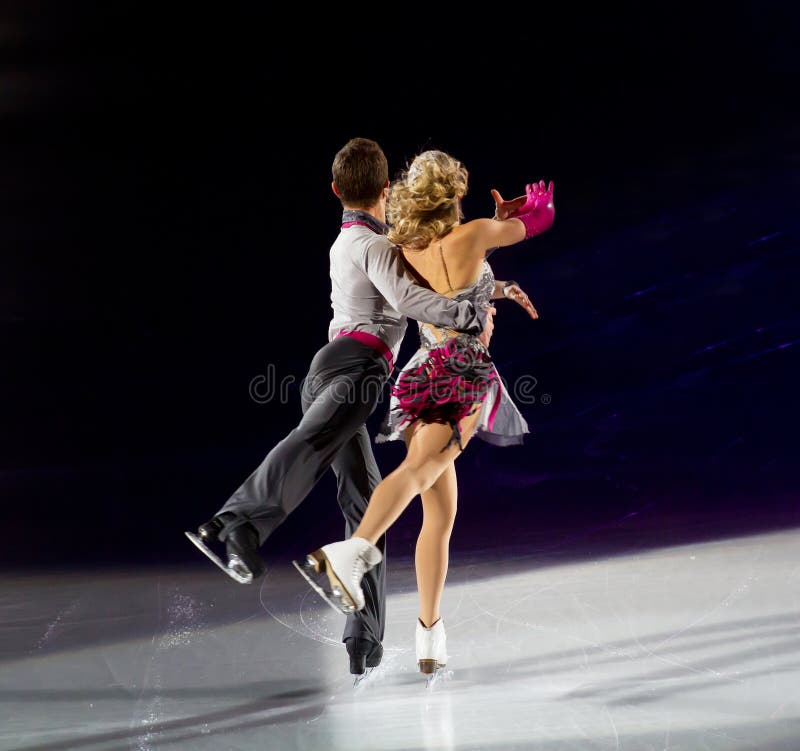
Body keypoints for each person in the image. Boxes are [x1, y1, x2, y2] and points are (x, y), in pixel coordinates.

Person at [186, 138, 495, 679]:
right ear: (386, 190)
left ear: (336, 191)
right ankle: (234, 522)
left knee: (364, 503)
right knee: (315, 441)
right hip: (355, 367)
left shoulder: (351, 241)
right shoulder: (371, 247)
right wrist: (469, 316)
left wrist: (494, 287)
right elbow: (408, 301)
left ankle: (364, 639)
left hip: (331, 365)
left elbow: (433, 274)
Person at [294, 149, 555, 678]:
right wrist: (522, 208)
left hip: (420, 373)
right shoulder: (475, 233)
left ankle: (429, 634)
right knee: (416, 474)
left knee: (441, 513)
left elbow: (443, 293)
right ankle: (353, 552)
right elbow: (544, 216)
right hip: (462, 374)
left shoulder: (404, 248)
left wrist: (496, 288)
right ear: (454, 195)